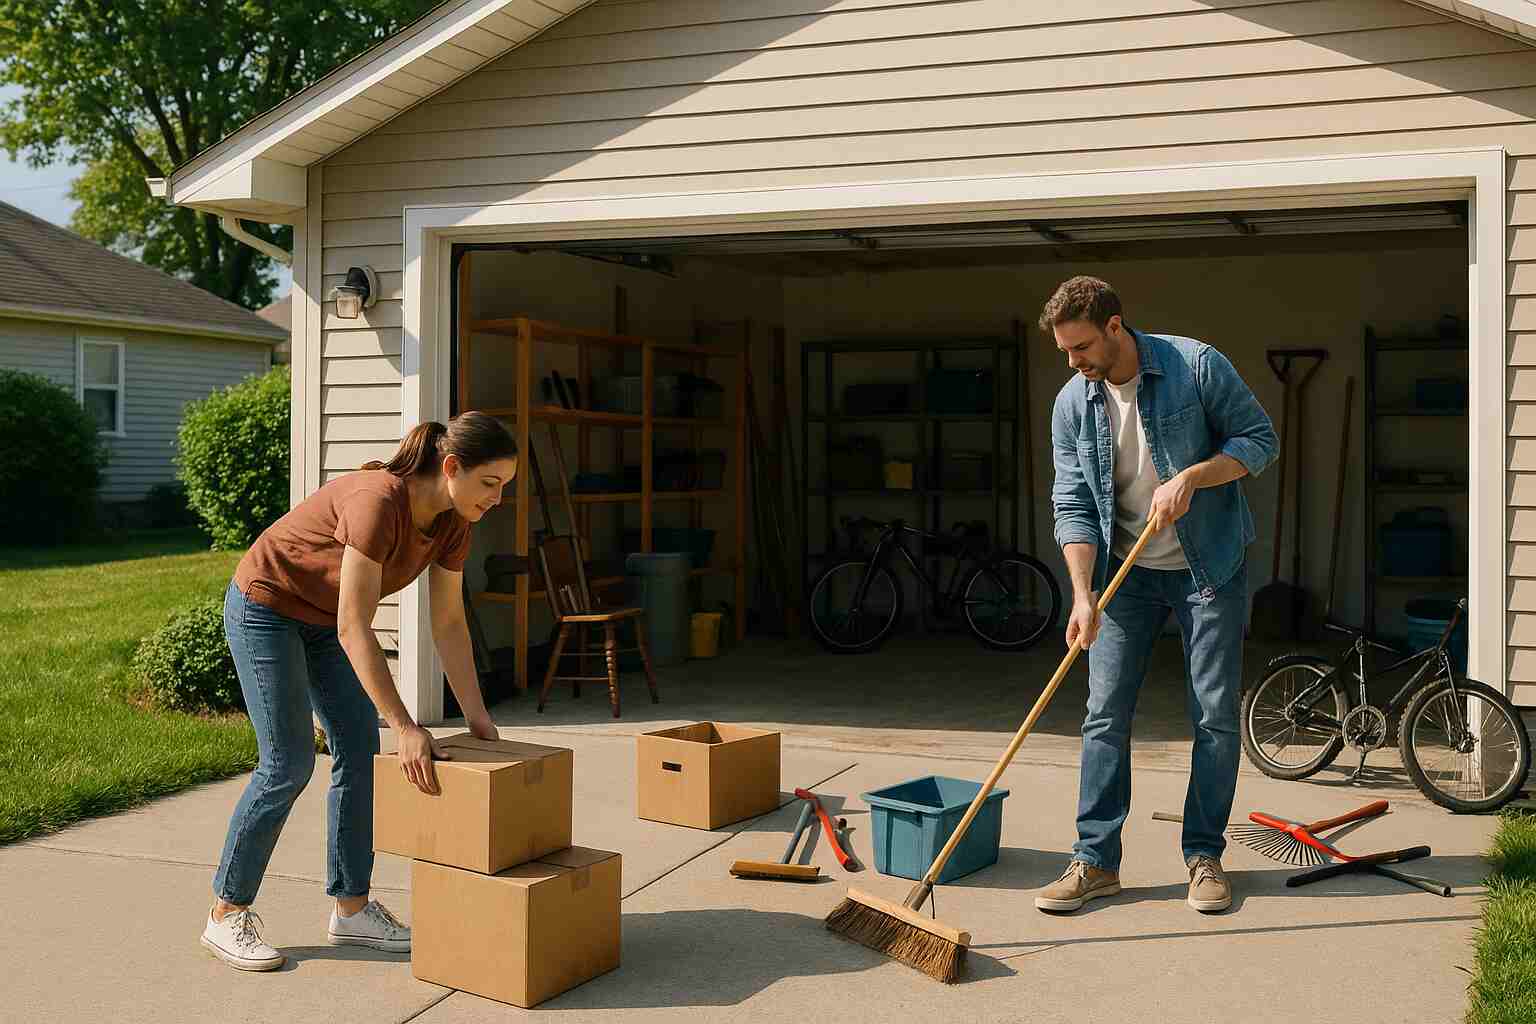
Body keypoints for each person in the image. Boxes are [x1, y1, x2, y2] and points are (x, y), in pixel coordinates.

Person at [200, 411, 518, 971]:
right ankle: (227, 915)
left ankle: (351, 909)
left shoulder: (452, 523)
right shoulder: (379, 502)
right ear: (451, 467)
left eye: (503, 487)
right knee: (288, 763)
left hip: (323, 620)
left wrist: (478, 719)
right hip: (266, 606)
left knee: (357, 751)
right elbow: (355, 624)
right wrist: (406, 725)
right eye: (489, 483)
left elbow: (448, 623)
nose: (496, 499)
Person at [1035, 276, 1278, 915]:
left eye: (1082, 346)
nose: (1074, 361)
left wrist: (1194, 478)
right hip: (1127, 574)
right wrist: (1084, 595)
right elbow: (1073, 503)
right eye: (1065, 351)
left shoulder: (1196, 366)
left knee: (1215, 715)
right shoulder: (1071, 403)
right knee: (1104, 714)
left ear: (1116, 327)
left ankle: (1203, 855)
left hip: (1208, 568)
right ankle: (1095, 861)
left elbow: (1258, 440)